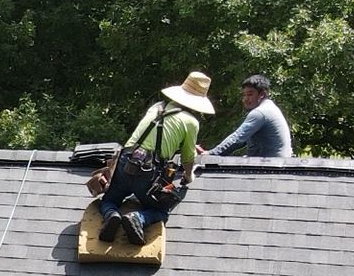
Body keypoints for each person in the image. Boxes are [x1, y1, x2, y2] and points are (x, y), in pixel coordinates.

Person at [93, 71, 214, 245]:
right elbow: (188, 159)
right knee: (162, 210)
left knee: (109, 200)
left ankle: (112, 215)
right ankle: (138, 219)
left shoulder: (157, 107)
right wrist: (188, 176)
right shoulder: (191, 122)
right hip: (148, 174)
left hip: (125, 161)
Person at [202, 74, 293, 159]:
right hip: (277, 163)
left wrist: (211, 154)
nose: (245, 99)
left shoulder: (260, 113)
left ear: (262, 95)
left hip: (272, 166)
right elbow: (242, 141)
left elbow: (237, 139)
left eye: (250, 94)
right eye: (244, 95)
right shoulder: (270, 107)